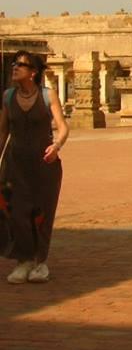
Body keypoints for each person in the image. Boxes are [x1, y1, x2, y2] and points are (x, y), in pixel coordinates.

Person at [1, 51, 70, 283]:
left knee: (41, 213)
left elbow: (62, 127)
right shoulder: (8, 97)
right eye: (14, 64)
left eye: (20, 65)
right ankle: (23, 261)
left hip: (44, 165)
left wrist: (56, 146)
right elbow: (3, 132)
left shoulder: (47, 96)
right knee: (17, 212)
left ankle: (40, 262)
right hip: (15, 164)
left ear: (33, 72)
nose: (15, 68)